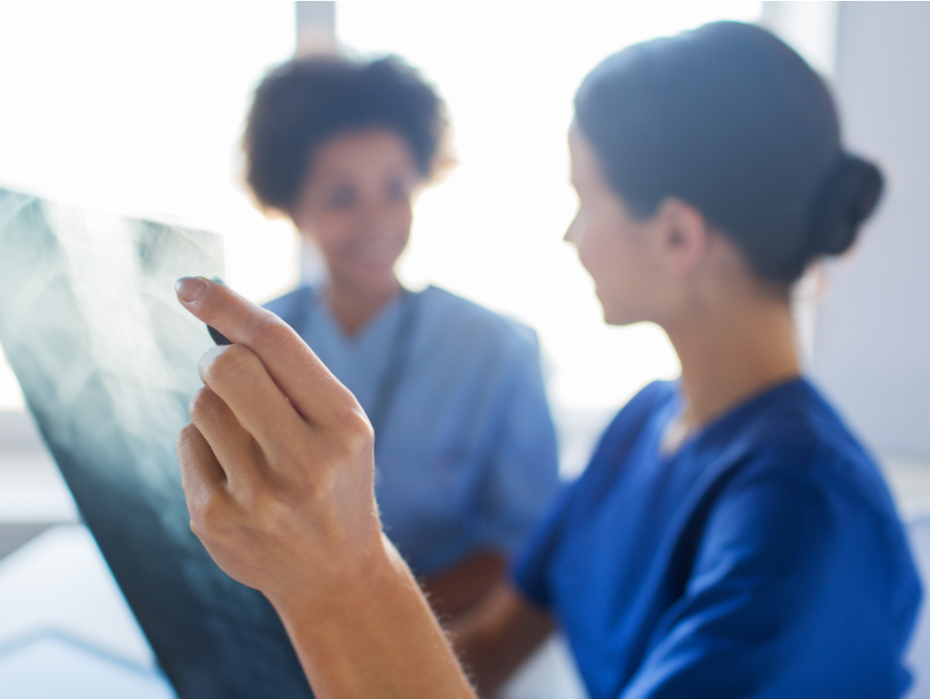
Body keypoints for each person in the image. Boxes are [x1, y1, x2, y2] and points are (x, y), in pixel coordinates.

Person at [174, 21, 921, 699]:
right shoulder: (644, 424)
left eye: (584, 198)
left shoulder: (803, 520)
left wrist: (340, 579)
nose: (571, 235)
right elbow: (491, 644)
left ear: (675, 235)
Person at [239, 55, 560, 617]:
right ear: (291, 205)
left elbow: (522, 543)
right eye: (342, 197)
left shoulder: (498, 350)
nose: (377, 219)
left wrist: (374, 615)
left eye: (395, 188)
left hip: (439, 639)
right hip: (287, 637)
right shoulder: (248, 348)